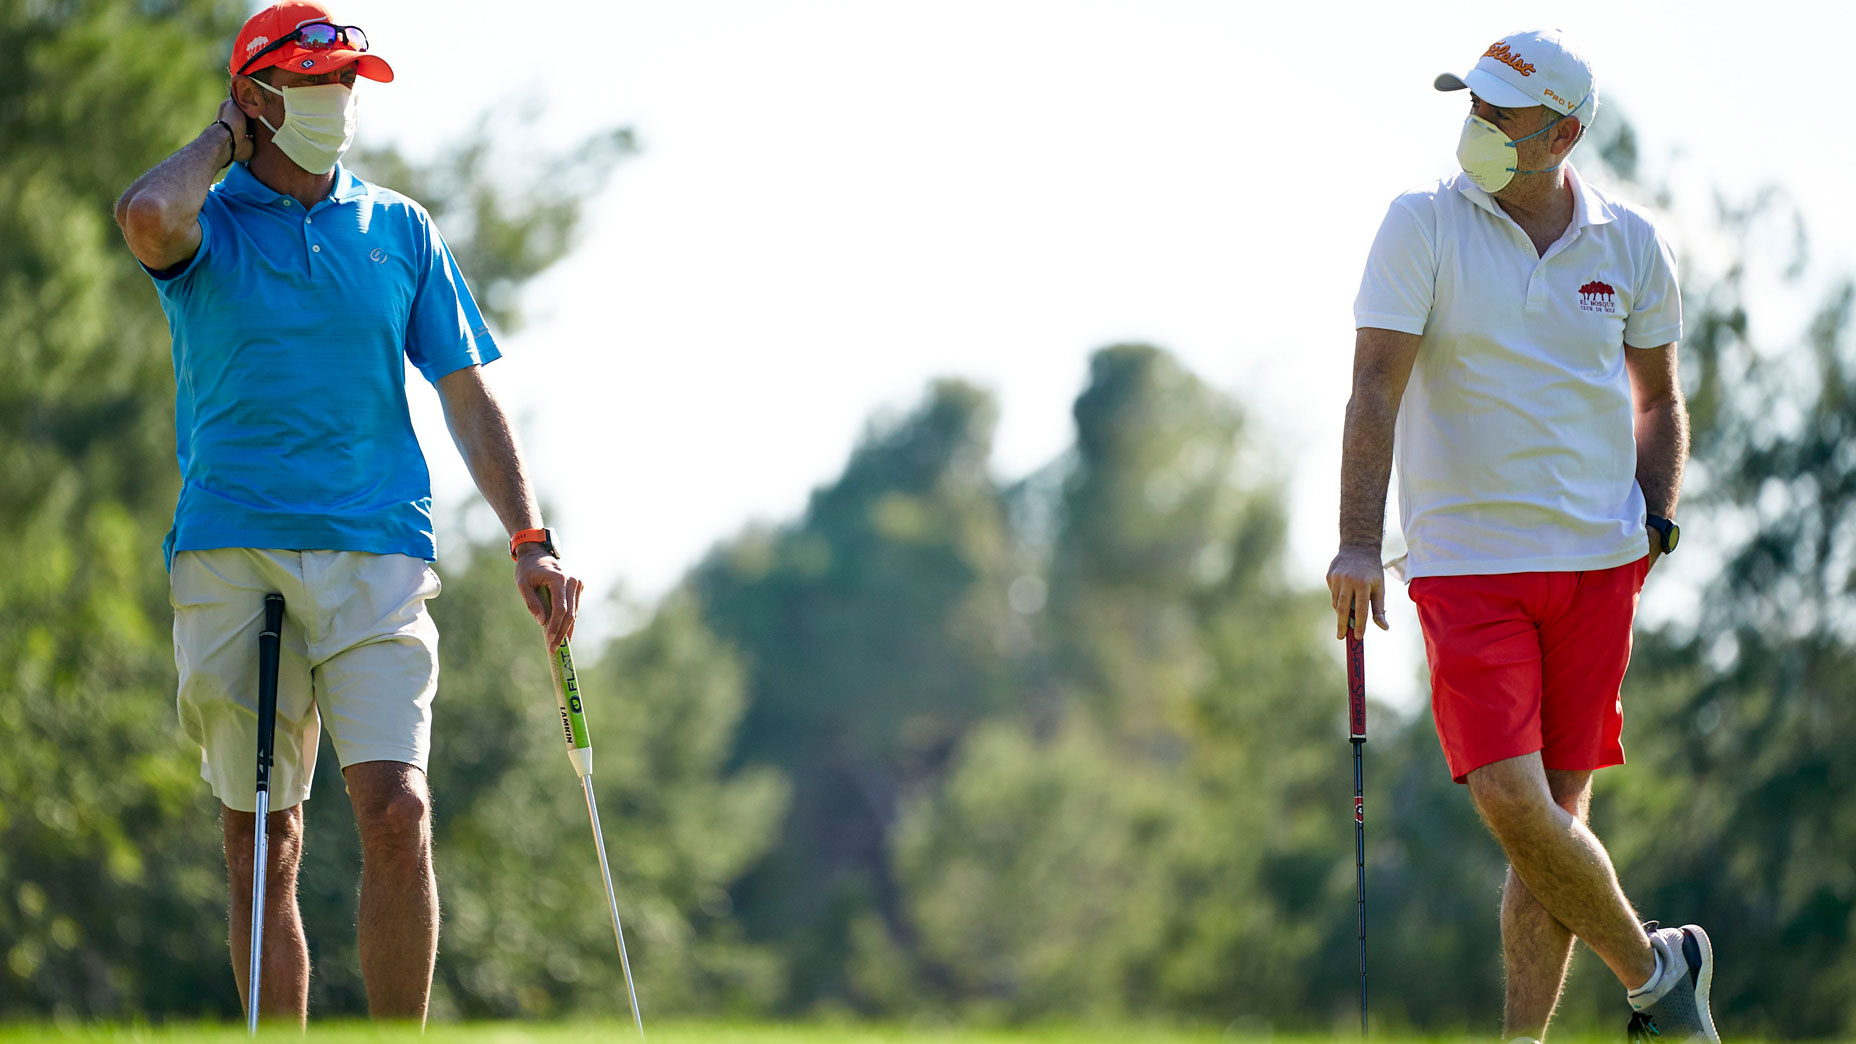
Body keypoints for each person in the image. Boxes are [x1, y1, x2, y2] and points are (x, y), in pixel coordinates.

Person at [112, 1, 584, 1026]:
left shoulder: (398, 229)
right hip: (233, 551)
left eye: (347, 90)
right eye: (316, 88)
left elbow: (466, 389)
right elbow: (145, 216)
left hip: (376, 551)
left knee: (397, 809)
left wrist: (529, 537)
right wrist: (222, 141)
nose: (338, 108)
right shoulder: (208, 219)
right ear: (255, 97)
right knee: (262, 842)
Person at [1325, 28, 1718, 1044]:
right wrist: (1357, 542)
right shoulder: (1420, 226)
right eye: (1475, 107)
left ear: (1565, 132)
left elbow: (1656, 402)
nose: (1480, 126)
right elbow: (1374, 387)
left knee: (1553, 834)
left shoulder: (1628, 242)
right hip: (1466, 567)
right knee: (1511, 800)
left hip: (1596, 566)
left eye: (1504, 113)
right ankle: (1658, 970)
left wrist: (1656, 518)